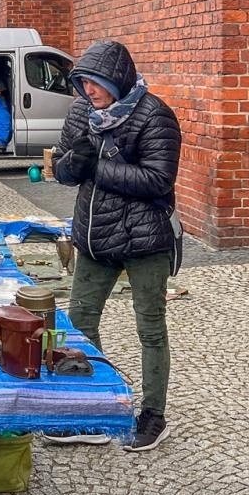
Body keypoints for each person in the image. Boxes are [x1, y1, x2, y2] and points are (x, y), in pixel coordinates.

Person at [51, 39, 181, 452]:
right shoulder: (81, 114)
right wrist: (72, 164)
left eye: (97, 82)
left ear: (118, 80)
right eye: (83, 82)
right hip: (95, 233)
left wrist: (97, 167)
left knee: (150, 326)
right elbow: (64, 170)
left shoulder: (154, 115)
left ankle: (153, 415)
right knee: (80, 322)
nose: (89, 90)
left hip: (146, 238)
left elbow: (159, 180)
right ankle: (100, 406)